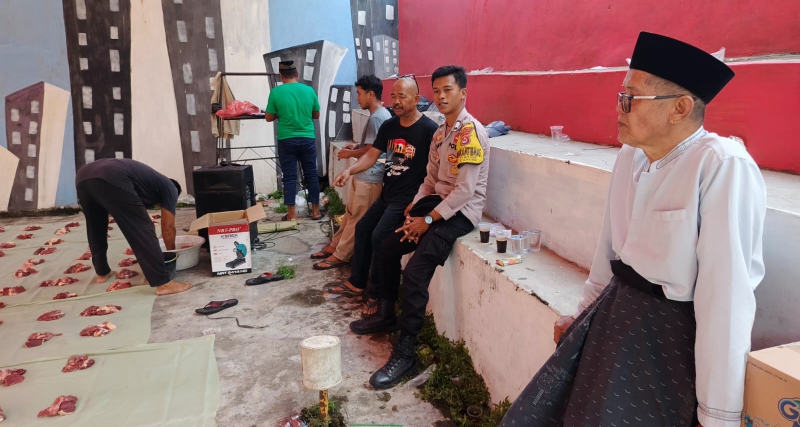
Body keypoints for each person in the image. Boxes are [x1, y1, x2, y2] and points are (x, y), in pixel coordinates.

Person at [501, 32, 766, 427]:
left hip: (667, 334)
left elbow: (725, 298)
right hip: (616, 311)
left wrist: (717, 415)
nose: (618, 108)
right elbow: (609, 251)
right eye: (620, 96)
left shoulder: (722, 165)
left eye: (630, 98)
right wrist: (581, 314)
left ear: (679, 108)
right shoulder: (631, 155)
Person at [350, 65, 490, 389]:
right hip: (435, 205)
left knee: (414, 272)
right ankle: (387, 313)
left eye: (448, 90)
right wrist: (414, 207)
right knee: (387, 247)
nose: (440, 97)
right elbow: (429, 180)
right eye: (436, 91)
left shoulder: (470, 133)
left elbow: (464, 192)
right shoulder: (441, 133)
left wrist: (426, 221)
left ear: (463, 93)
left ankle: (406, 351)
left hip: (460, 213)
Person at [330, 77, 438, 314]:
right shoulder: (389, 126)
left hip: (407, 198)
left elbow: (434, 170)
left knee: (379, 237)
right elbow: (371, 156)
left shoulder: (429, 130)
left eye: (402, 97)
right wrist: (349, 171)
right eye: (394, 96)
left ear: (416, 100)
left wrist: (420, 203)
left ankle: (377, 295)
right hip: (388, 192)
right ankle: (358, 282)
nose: (396, 101)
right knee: (363, 228)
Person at [75, 158, 193, 296]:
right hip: (111, 175)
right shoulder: (171, 188)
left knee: (96, 225)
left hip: (83, 176)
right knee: (142, 228)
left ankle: (102, 272)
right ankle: (163, 283)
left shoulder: (149, 183)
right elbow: (168, 227)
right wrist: (172, 254)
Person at [312, 75, 391, 270]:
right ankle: (335, 245)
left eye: (360, 93)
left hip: (371, 177)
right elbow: (372, 144)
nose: (357, 98)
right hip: (364, 175)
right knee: (350, 214)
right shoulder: (378, 115)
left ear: (371, 94)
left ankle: (341, 255)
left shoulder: (378, 117)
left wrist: (350, 153)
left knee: (357, 219)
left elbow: (371, 150)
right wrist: (357, 147)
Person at [265, 60, 322, 221]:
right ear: (297, 74)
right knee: (311, 175)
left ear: (281, 76)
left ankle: (291, 214)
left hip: (287, 140)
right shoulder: (309, 90)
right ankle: (316, 212)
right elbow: (316, 114)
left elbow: (268, 117)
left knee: (289, 177)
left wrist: (280, 113)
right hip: (307, 138)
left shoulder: (276, 92)